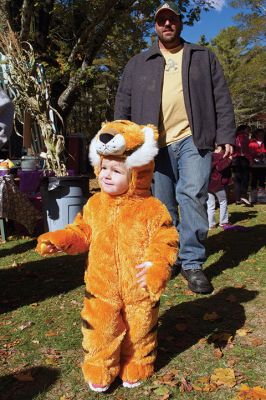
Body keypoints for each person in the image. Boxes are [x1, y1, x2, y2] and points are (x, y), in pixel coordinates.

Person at [36, 120, 178, 392]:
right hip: (102, 285)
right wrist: (61, 239)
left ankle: (138, 360)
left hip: (139, 287)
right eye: (103, 169)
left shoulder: (152, 208)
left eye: (116, 170)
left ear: (137, 173)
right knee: (100, 328)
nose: (106, 175)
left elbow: (165, 239)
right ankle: (100, 364)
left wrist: (156, 266)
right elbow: (82, 231)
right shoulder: (94, 204)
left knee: (140, 328)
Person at [114, 1, 235, 294]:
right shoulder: (138, 63)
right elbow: (123, 103)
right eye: (161, 21)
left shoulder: (202, 56)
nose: (167, 25)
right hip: (154, 145)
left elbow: (221, 96)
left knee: (192, 193)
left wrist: (226, 134)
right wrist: (121, 141)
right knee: (163, 204)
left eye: (172, 20)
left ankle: (192, 262)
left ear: (180, 24)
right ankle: (171, 254)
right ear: (155, 26)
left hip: (195, 139)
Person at [207, 148, 232, 230]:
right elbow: (220, 167)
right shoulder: (219, 156)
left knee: (210, 204)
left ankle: (211, 224)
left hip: (208, 183)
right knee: (223, 201)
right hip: (217, 184)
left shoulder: (208, 156)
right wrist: (229, 160)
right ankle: (223, 222)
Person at [232, 124, 253, 206]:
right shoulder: (243, 136)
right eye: (248, 130)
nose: (248, 132)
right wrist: (250, 159)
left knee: (237, 179)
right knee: (245, 178)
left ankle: (237, 199)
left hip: (235, 159)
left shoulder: (234, 136)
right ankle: (243, 195)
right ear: (243, 130)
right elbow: (244, 149)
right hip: (242, 159)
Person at [248, 128, 266, 204]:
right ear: (256, 134)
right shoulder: (251, 143)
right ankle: (253, 198)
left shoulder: (264, 143)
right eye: (259, 134)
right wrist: (257, 154)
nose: (261, 135)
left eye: (262, 134)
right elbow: (249, 153)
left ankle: (261, 198)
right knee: (254, 181)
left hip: (263, 165)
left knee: (262, 180)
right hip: (254, 165)